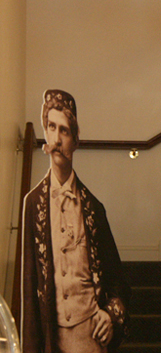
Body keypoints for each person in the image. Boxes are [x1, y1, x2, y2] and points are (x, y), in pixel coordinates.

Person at [22, 89, 130, 353]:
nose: (57, 139)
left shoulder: (93, 207)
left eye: (65, 130)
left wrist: (110, 315)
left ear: (75, 141)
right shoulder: (33, 204)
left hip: (90, 339)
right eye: (51, 127)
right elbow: (28, 293)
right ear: (45, 134)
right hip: (53, 341)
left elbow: (118, 281)